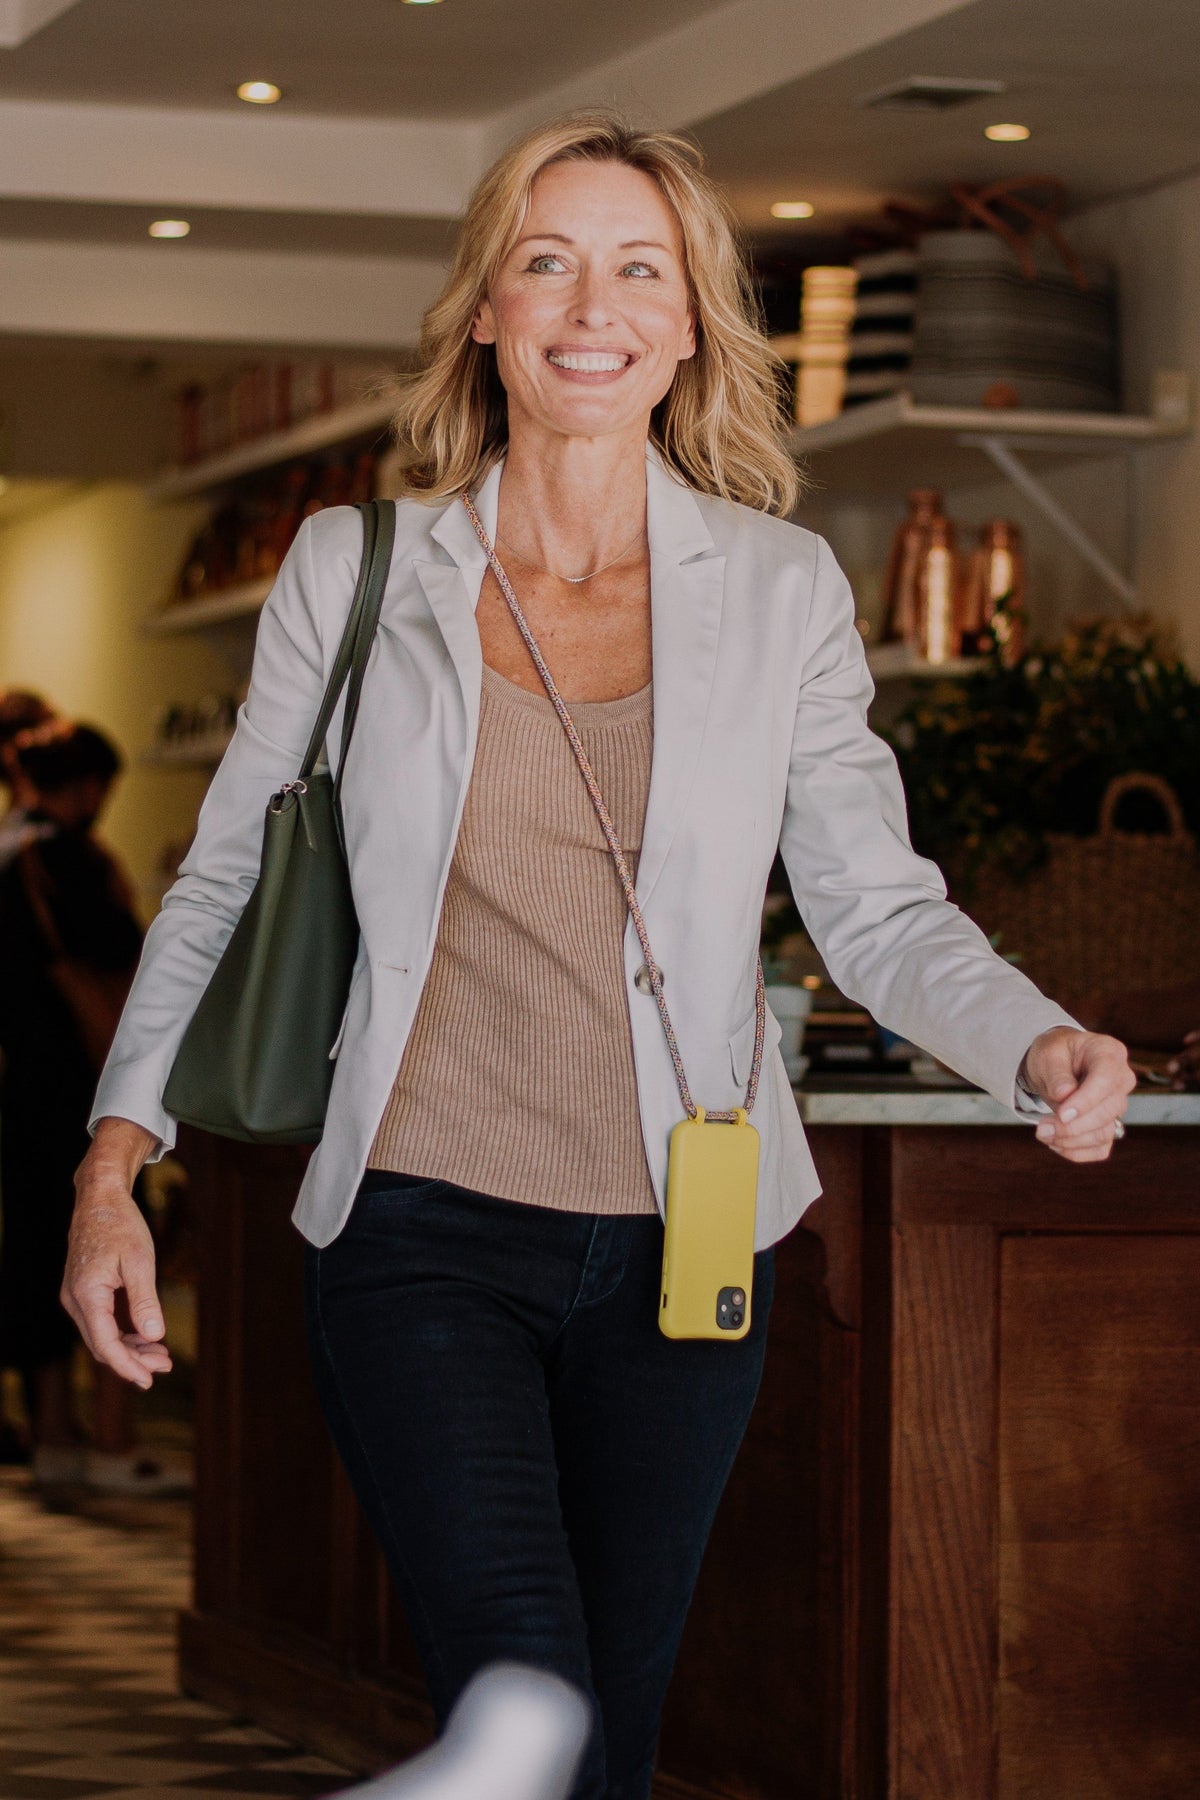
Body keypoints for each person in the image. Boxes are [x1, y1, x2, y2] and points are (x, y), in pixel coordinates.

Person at [65, 112, 1134, 1799]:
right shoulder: (356, 572)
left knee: (607, 1744)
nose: (593, 304)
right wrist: (116, 1167)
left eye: (640, 266)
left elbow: (875, 905)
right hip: (420, 1220)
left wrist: (1035, 1040)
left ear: (691, 320)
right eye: (547, 260)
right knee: (526, 1698)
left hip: (685, 1246)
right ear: (486, 307)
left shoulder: (778, 591)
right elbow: (215, 886)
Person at [0, 721, 181, 1492]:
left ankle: (54, 1434)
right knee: (114, 1246)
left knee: (39, 1250)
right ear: (86, 785)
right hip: (91, 1090)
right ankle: (113, 1435)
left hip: (25, 1087)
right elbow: (102, 976)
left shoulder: (12, 855)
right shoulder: (66, 863)